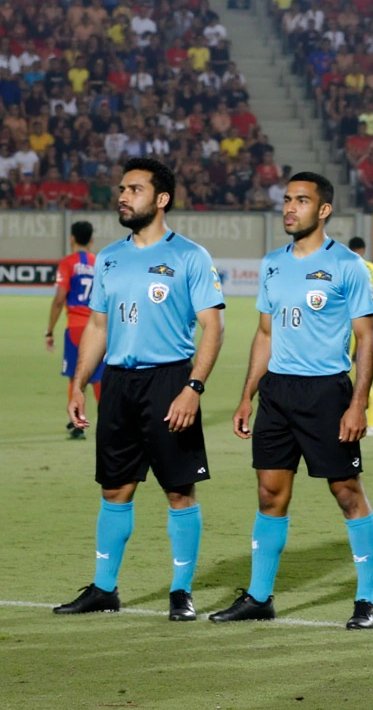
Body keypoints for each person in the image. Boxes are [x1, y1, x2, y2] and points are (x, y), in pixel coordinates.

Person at [209, 172, 373, 629]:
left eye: (301, 201)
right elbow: (265, 335)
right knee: (269, 494)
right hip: (278, 394)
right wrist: (247, 395)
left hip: (327, 392)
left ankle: (366, 599)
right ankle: (260, 597)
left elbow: (367, 337)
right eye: (287, 200)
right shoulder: (271, 264)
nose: (290, 208)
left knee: (347, 493)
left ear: (323, 210)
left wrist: (357, 403)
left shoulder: (347, 266)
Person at [57, 157, 226, 621]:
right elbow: (97, 325)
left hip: (170, 380)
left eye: (134, 189)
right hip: (118, 383)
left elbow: (213, 327)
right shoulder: (109, 257)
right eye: (122, 189)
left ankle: (180, 592)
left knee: (179, 492)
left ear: (161, 198)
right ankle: (104, 589)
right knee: (115, 489)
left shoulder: (190, 256)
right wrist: (78, 384)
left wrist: (194, 387)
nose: (123, 196)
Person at [47, 221, 106, 439]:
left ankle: (78, 423)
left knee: (76, 377)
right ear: (91, 240)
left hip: (75, 329)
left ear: (72, 238)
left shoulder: (68, 263)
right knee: (98, 377)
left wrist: (49, 330)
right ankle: (109, 423)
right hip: (98, 327)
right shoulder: (99, 263)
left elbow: (59, 299)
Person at [347, 236, 373, 436]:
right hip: (368, 324)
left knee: (345, 371)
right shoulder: (370, 268)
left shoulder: (344, 265)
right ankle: (370, 423)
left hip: (345, 324)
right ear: (362, 249)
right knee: (364, 371)